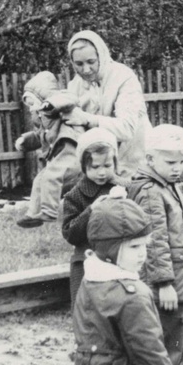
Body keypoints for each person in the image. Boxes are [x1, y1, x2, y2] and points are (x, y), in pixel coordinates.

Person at [72, 195, 177, 365]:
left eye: (144, 245)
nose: (142, 254)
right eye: (133, 247)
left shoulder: (88, 282)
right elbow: (147, 346)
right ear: (109, 248)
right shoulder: (133, 293)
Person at [128, 124, 183, 365]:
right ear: (149, 159)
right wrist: (164, 283)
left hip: (178, 276)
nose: (177, 167)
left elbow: (171, 226)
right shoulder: (149, 191)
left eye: (182, 161)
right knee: (167, 338)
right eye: (170, 162)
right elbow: (155, 240)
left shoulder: (168, 185)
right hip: (167, 283)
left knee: (177, 335)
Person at [58, 30, 151, 176]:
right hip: (98, 169)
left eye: (91, 62)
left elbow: (126, 129)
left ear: (101, 56)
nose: (86, 70)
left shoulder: (124, 77)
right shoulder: (75, 85)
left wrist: (87, 119)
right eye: (79, 64)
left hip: (135, 164)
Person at [61, 127, 127, 301]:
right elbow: (69, 233)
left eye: (107, 166)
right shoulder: (75, 195)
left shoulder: (125, 188)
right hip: (86, 260)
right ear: (83, 167)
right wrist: (90, 211)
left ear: (115, 163)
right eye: (95, 167)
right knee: (84, 305)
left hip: (120, 260)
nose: (102, 172)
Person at [14, 72, 83, 228]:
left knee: (51, 176)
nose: (31, 109)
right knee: (40, 179)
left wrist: (50, 104)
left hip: (72, 151)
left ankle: (50, 212)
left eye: (33, 103)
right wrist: (25, 141)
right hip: (61, 154)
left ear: (44, 99)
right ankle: (33, 214)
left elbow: (71, 99)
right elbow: (41, 136)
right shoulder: (46, 121)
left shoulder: (63, 108)